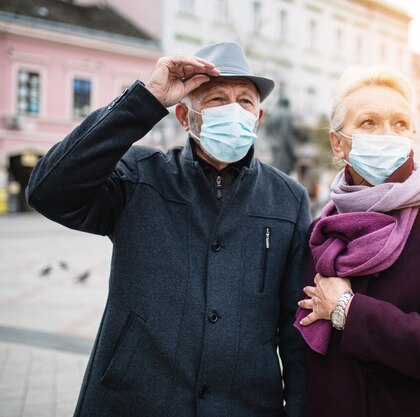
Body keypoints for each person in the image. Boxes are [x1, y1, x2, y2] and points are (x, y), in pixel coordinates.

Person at [26, 42, 309, 417]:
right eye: (216, 99)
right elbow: (49, 191)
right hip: (136, 399)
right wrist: (145, 100)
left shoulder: (288, 198)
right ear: (183, 115)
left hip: (245, 405)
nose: (233, 110)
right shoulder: (139, 176)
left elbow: (297, 326)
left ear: (257, 117)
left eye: (244, 101)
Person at [294, 65, 420, 417]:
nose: (387, 134)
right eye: (369, 122)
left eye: (400, 123)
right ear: (338, 143)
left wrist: (347, 309)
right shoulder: (320, 231)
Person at [266, 96, 297, 175]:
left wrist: (273, 143)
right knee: (284, 178)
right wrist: (292, 152)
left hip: (275, 150)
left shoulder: (273, 114)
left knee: (275, 175)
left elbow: (268, 132)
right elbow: (286, 134)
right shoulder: (286, 114)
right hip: (284, 151)